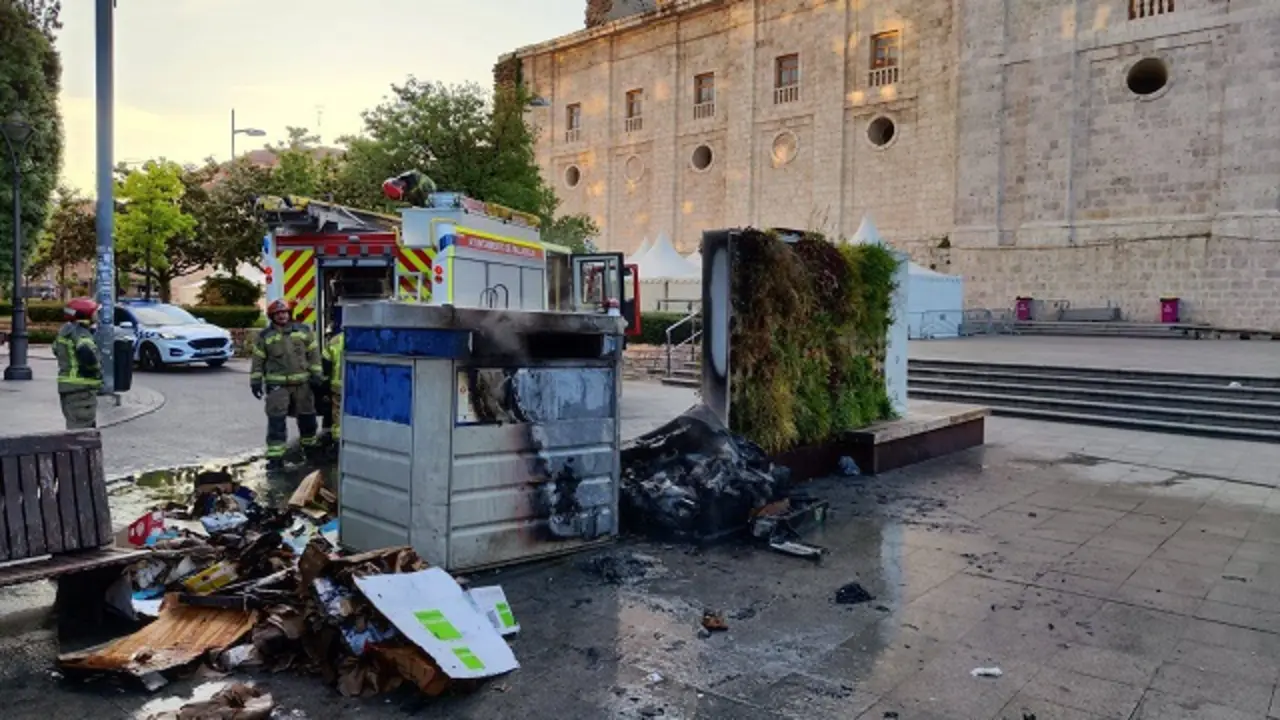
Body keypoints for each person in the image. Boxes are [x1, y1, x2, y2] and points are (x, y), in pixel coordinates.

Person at [250, 299, 324, 469]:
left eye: (284, 313)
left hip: (303, 385)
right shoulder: (265, 336)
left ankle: (310, 450)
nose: (282, 316)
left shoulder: (303, 331)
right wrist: (255, 381)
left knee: (307, 418)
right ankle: (276, 457)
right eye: (278, 314)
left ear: (289, 314)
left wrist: (317, 375)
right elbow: (258, 361)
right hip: (277, 387)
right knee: (276, 421)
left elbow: (314, 355)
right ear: (272, 316)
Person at [53, 297, 103, 430]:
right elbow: (86, 352)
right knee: (82, 432)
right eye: (95, 312)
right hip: (81, 389)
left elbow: (55, 349)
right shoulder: (82, 334)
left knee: (74, 425)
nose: (97, 316)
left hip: (68, 387)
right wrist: (96, 367)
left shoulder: (65, 331)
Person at [323, 305, 345, 443]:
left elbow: (326, 363)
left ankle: (337, 442)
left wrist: (325, 382)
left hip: (338, 386)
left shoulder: (335, 340)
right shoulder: (364, 338)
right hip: (360, 386)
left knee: (337, 414)